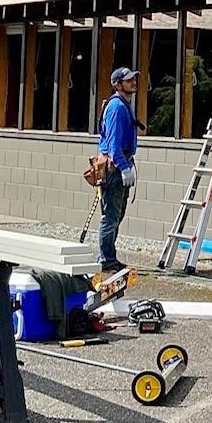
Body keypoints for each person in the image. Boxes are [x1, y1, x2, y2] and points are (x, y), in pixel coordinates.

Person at [97, 67, 139, 272]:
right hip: (114, 168)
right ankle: (106, 259)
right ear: (118, 84)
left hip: (121, 164)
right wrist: (124, 167)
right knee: (111, 216)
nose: (133, 82)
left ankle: (109, 256)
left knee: (117, 214)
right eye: (128, 80)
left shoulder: (124, 105)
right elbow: (113, 144)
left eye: (133, 79)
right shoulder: (117, 107)